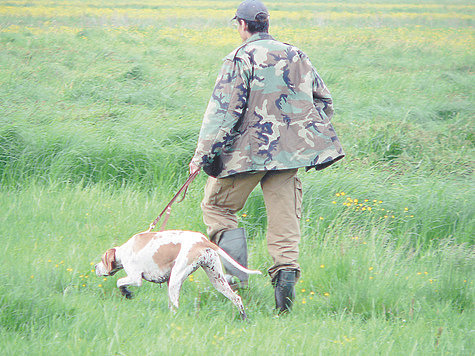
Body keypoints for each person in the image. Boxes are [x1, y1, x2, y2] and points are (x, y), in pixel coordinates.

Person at [189, 0, 344, 313]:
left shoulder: (239, 57)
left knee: (217, 206)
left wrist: (202, 155)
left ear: (243, 26)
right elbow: (324, 101)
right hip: (290, 155)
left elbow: (222, 113)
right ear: (267, 24)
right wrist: (303, 137)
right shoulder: (297, 54)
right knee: (285, 224)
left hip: (248, 154)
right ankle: (284, 285)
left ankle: (234, 284)